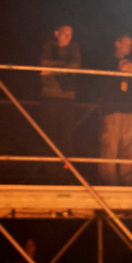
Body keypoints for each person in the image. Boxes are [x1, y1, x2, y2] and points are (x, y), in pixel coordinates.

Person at [96, 35, 132, 184]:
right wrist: (118, 72)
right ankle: (108, 182)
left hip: (130, 112)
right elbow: (101, 87)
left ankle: (127, 181)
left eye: (131, 44)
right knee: (110, 147)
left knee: (129, 148)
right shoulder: (107, 62)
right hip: (112, 111)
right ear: (117, 43)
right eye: (126, 43)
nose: (129, 47)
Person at [36, 25, 81, 163]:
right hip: (49, 95)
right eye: (64, 33)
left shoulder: (74, 47)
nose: (68, 37)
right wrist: (64, 67)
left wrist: (52, 70)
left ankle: (65, 168)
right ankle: (49, 167)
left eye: (70, 34)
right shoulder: (48, 45)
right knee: (49, 134)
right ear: (56, 33)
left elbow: (75, 66)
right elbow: (44, 62)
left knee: (66, 134)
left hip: (68, 96)